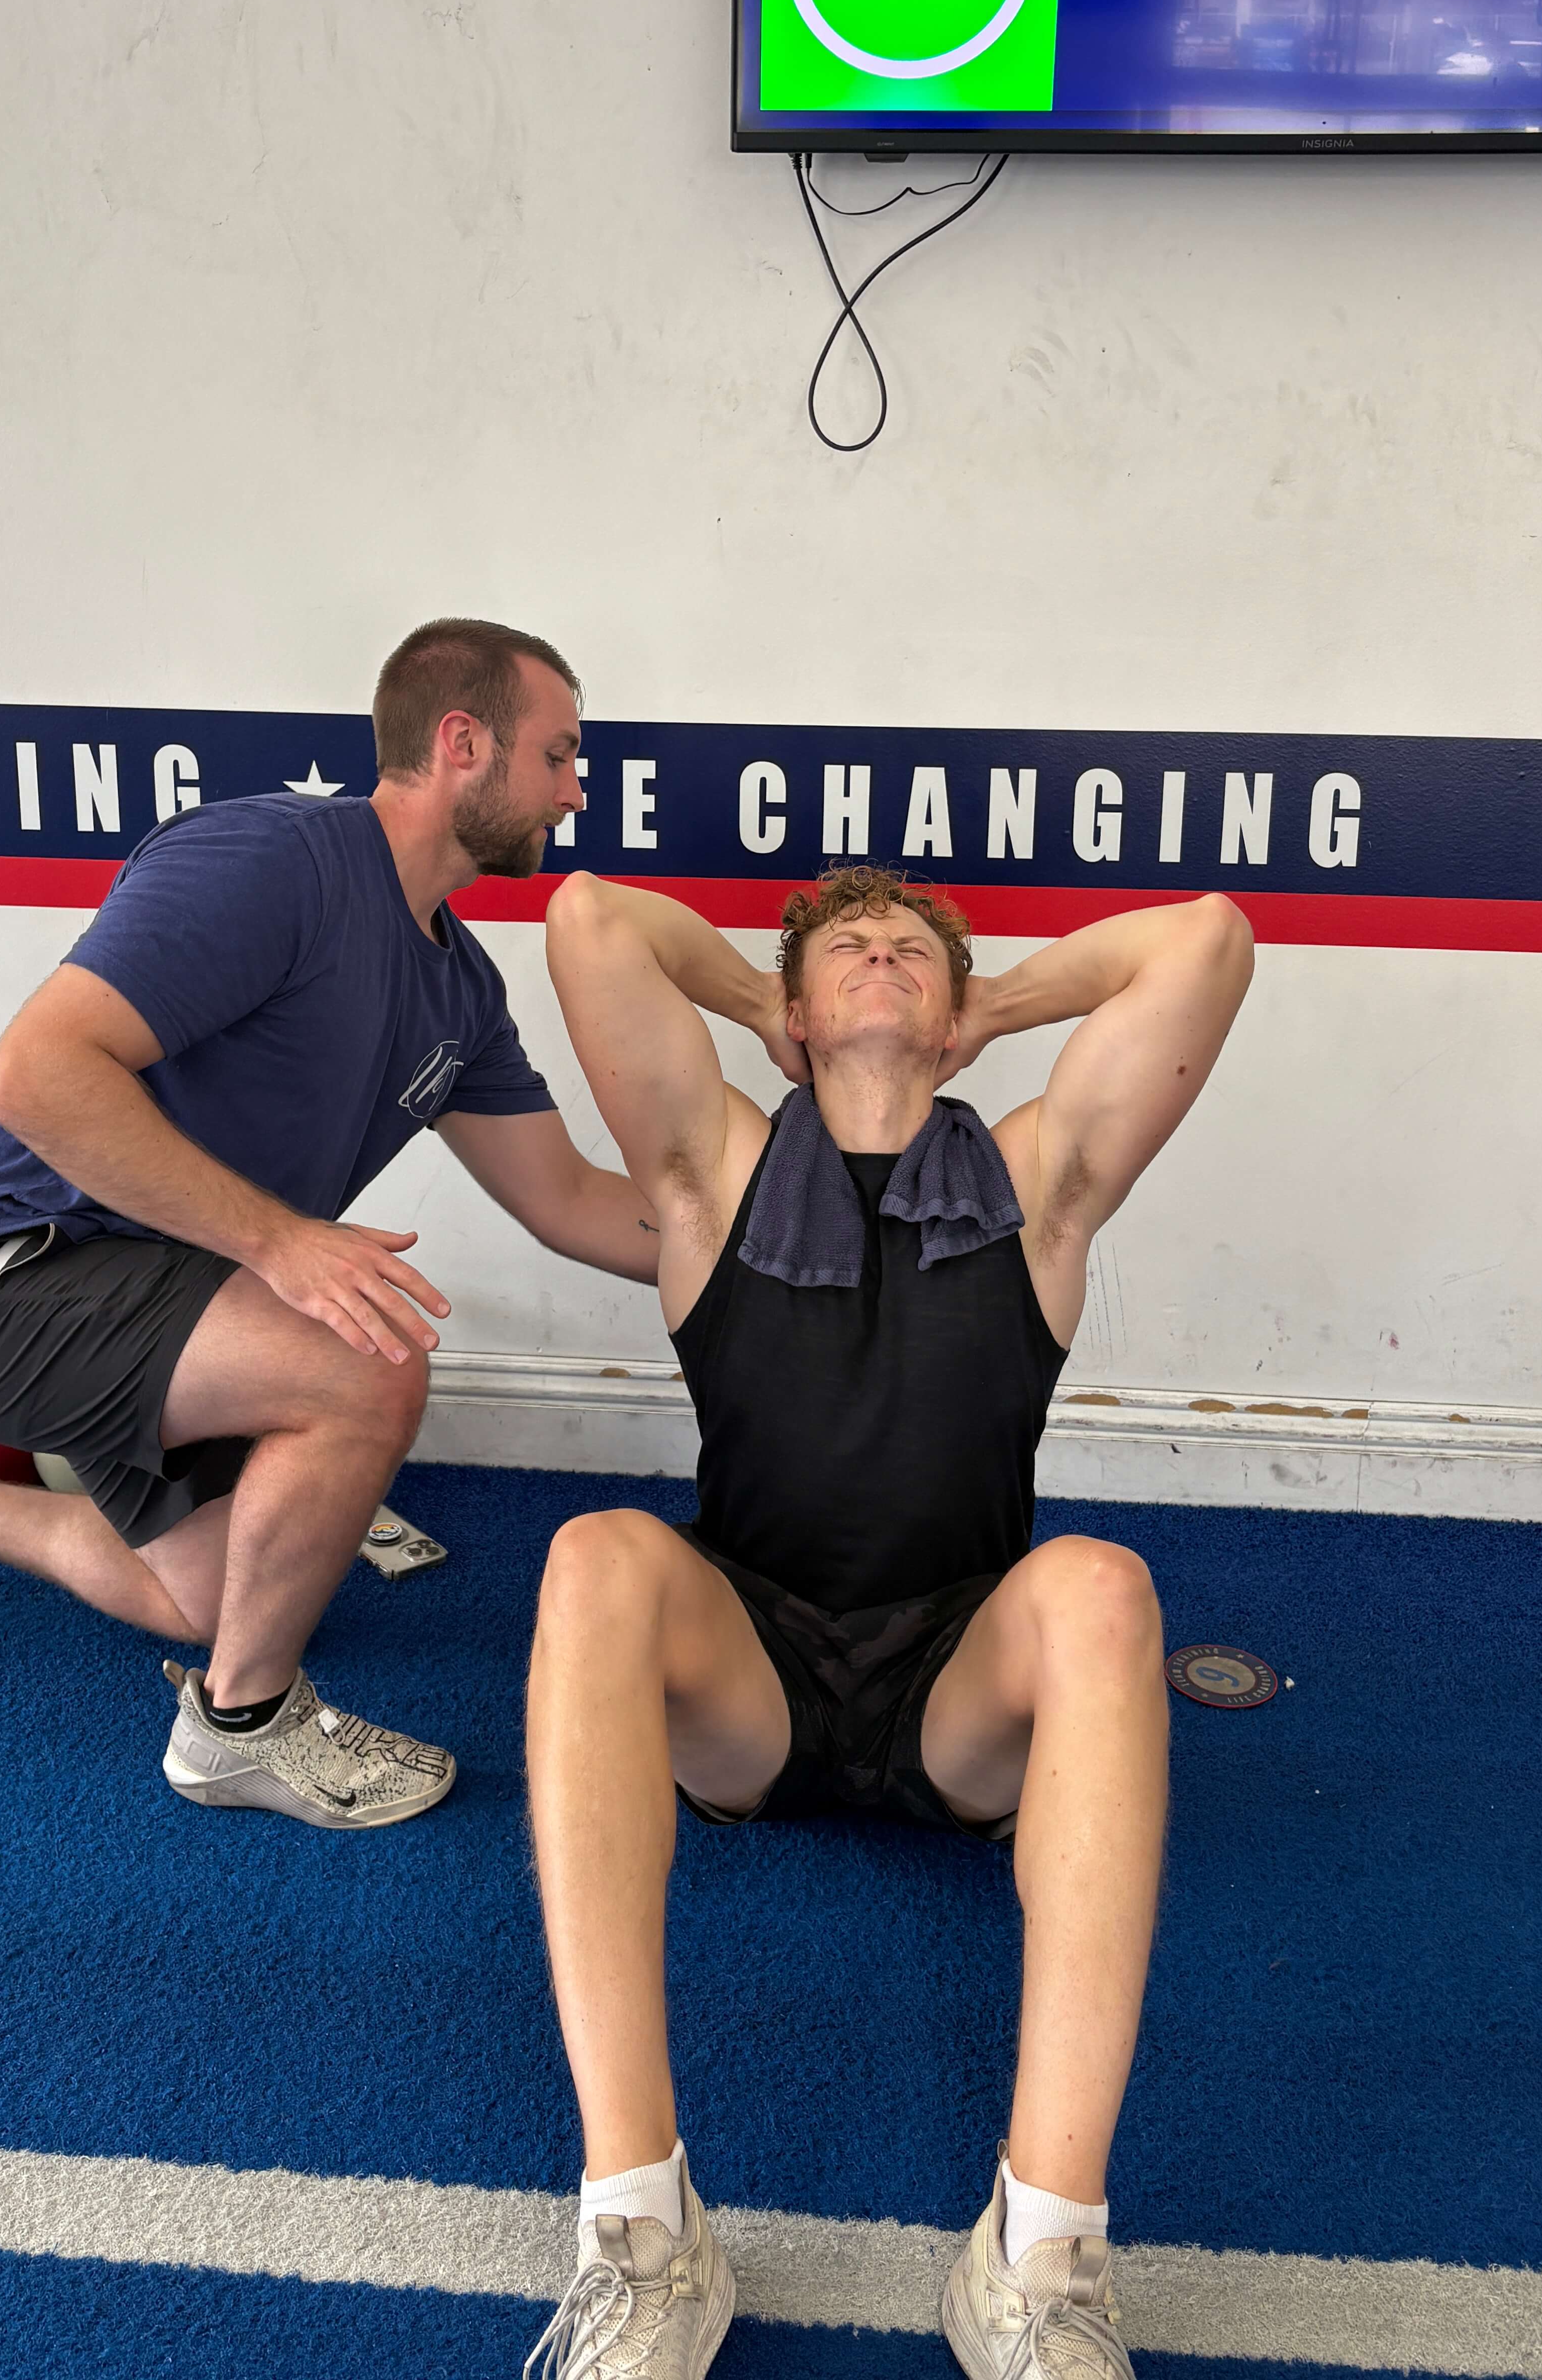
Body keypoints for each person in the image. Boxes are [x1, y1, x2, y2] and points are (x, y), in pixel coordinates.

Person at [0, 619, 661, 1833]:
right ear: (462, 744)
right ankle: (241, 1732)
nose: (574, 789)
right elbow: (39, 1076)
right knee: (365, 1361)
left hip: (153, 1282)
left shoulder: (459, 987)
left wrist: (791, 1248)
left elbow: (575, 1201)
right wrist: (281, 1243)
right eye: (559, 756)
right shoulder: (275, 860)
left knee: (207, 1602)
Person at [521, 865, 1254, 2377]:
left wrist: (989, 1006)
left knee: (1104, 1585)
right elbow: (593, 919)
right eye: (841, 948)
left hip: (958, 1691)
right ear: (792, 1010)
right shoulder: (709, 1174)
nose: (876, 952)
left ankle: (1038, 2255)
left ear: (952, 1005)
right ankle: (644, 2236)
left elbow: (1205, 942)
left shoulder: (1039, 1180)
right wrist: (770, 1015)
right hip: (750, 1684)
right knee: (594, 1556)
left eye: (909, 948)